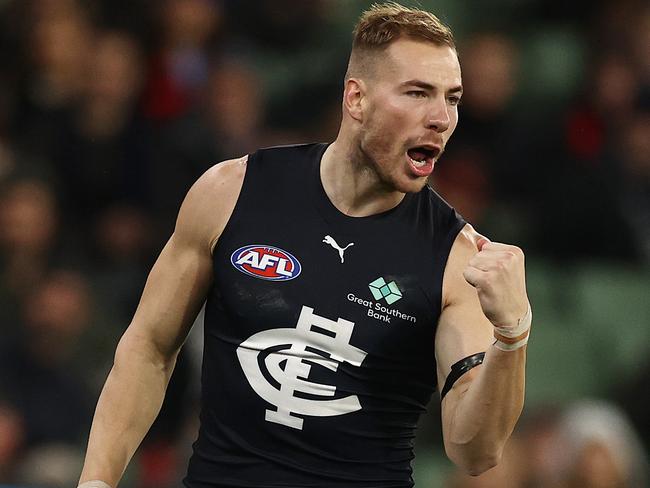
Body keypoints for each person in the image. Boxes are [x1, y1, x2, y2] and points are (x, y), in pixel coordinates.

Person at [78, 3, 531, 487]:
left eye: (452, 98)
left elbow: (473, 451)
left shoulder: (457, 258)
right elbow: (149, 348)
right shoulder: (232, 192)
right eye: (418, 93)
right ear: (356, 99)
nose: (441, 118)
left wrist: (512, 336)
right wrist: (97, 481)